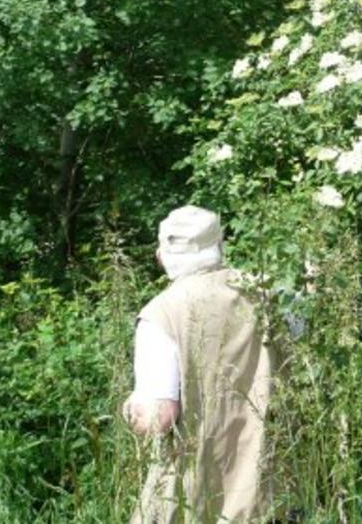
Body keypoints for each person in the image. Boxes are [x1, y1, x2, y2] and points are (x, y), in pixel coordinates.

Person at [122, 205, 275, 523]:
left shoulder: (161, 314)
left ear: (162, 254)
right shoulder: (268, 293)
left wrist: (130, 409)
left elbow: (159, 418)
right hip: (272, 486)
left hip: (197, 490)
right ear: (218, 245)